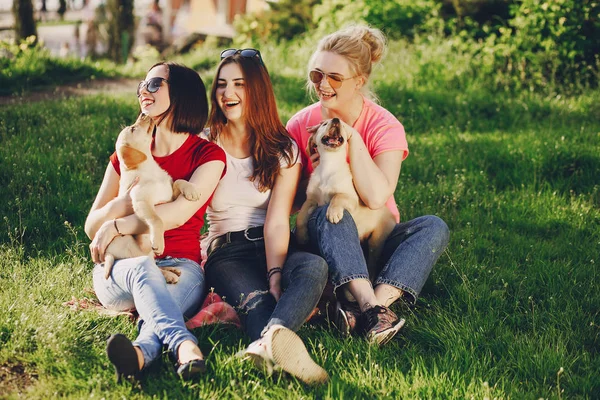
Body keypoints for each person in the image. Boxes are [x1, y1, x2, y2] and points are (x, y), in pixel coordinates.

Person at [286, 25, 450, 346]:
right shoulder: (301, 124)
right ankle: (372, 312)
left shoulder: (384, 125)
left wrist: (353, 138)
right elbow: (287, 199)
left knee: (433, 227)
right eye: (317, 74)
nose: (323, 84)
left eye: (335, 77)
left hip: (376, 237)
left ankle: (365, 305)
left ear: (359, 81)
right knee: (330, 212)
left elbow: (377, 197)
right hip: (329, 236)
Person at [85, 62, 226, 381]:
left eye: (153, 84)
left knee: (160, 305)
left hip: (181, 268)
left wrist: (118, 225)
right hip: (119, 267)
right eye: (141, 86)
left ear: (181, 94)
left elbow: (176, 214)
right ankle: (185, 346)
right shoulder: (127, 151)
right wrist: (116, 208)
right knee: (143, 268)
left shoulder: (208, 156)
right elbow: (92, 225)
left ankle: (138, 355)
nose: (142, 92)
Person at [202, 48, 329, 385]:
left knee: (313, 268)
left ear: (257, 90)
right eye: (222, 84)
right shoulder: (204, 142)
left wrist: (276, 273)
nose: (227, 93)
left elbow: (276, 220)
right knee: (257, 302)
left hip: (272, 243)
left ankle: (266, 346)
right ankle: (282, 350)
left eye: (239, 84)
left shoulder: (283, 148)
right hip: (226, 252)